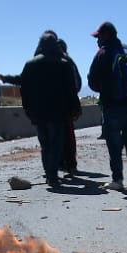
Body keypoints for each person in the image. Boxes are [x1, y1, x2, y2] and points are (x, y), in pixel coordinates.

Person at [86, 21, 127, 192]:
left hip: (112, 106)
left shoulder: (103, 53)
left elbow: (92, 80)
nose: (97, 40)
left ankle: (117, 180)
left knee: (114, 144)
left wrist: (104, 89)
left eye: (98, 37)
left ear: (106, 35)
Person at [19, 30, 80, 189]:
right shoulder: (64, 64)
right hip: (58, 112)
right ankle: (52, 176)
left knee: (45, 145)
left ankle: (50, 173)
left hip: (38, 113)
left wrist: (27, 109)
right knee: (55, 144)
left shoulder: (30, 64)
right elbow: (71, 90)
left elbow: (24, 90)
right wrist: (75, 108)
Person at [59, 39, 83, 177]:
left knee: (60, 135)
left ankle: (64, 163)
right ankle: (70, 164)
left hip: (58, 106)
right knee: (68, 135)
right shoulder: (69, 61)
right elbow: (77, 84)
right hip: (68, 105)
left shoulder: (59, 62)